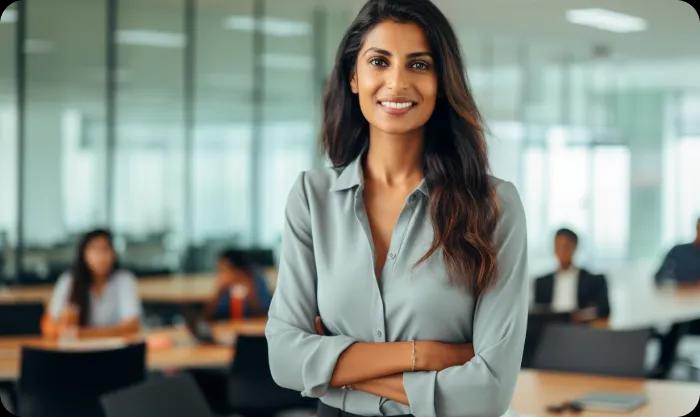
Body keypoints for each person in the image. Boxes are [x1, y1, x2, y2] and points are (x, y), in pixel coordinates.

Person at [265, 1, 528, 416]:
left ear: (442, 82)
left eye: (419, 65)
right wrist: (422, 355)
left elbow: (488, 393)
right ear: (354, 76)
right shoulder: (311, 197)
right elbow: (283, 358)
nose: (397, 81)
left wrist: (331, 368)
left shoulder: (494, 206)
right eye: (379, 62)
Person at [41, 229, 141, 339]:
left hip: (114, 350)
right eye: (95, 250)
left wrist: (81, 334)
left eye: (106, 249)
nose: (101, 256)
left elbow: (132, 326)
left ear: (114, 253)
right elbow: (49, 326)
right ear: (84, 254)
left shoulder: (124, 279)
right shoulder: (69, 280)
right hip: (77, 351)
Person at [650, 217, 700, 378]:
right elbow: (660, 278)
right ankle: (662, 369)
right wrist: (684, 286)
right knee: (671, 326)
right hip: (682, 310)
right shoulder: (679, 252)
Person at [533, 228, 610, 320]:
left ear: (574, 247)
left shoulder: (594, 280)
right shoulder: (542, 282)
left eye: (565, 246)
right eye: (557, 246)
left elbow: (604, 310)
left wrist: (580, 316)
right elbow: (538, 312)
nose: (561, 251)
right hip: (550, 328)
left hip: (580, 327)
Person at [203, 249, 272, 320]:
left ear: (237, 270)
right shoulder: (224, 288)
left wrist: (251, 293)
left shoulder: (256, 280)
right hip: (227, 328)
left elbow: (264, 315)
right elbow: (207, 317)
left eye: (223, 270)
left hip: (252, 328)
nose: (221, 275)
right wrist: (218, 294)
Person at [654, 217, 700, 285]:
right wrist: (687, 284)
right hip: (681, 293)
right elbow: (660, 277)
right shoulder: (678, 251)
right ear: (697, 228)